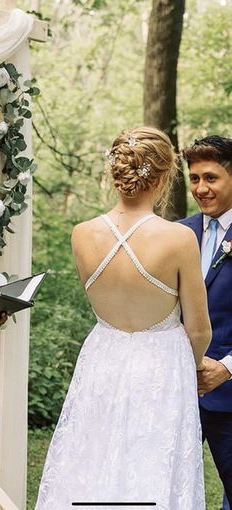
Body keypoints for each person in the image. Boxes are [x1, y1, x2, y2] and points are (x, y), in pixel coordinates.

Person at [35, 126, 211, 510]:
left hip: (103, 356)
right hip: (162, 364)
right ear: (165, 176)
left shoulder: (82, 234)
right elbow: (199, 328)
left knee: (92, 462)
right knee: (151, 467)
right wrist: (192, 366)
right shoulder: (179, 239)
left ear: (116, 173)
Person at [181, 135, 232, 509]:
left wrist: (228, 369)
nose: (201, 188)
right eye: (195, 178)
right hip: (176, 389)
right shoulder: (177, 234)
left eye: (211, 178)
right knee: (167, 487)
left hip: (230, 395)